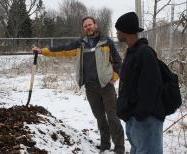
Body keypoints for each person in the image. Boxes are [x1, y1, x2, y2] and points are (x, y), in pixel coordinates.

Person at [32, 16, 125, 154]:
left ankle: (119, 148)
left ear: (95, 25)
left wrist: (114, 78)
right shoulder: (80, 44)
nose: (88, 27)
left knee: (113, 117)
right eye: (85, 26)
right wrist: (42, 51)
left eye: (90, 24)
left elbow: (118, 62)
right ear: (84, 28)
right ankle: (105, 145)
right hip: (90, 87)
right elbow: (62, 49)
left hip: (106, 86)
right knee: (100, 117)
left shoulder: (106, 42)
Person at [115, 12, 165, 154]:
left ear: (127, 30)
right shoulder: (131, 52)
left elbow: (151, 87)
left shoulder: (145, 53)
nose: (117, 32)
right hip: (135, 119)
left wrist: (140, 115)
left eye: (118, 29)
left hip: (146, 120)